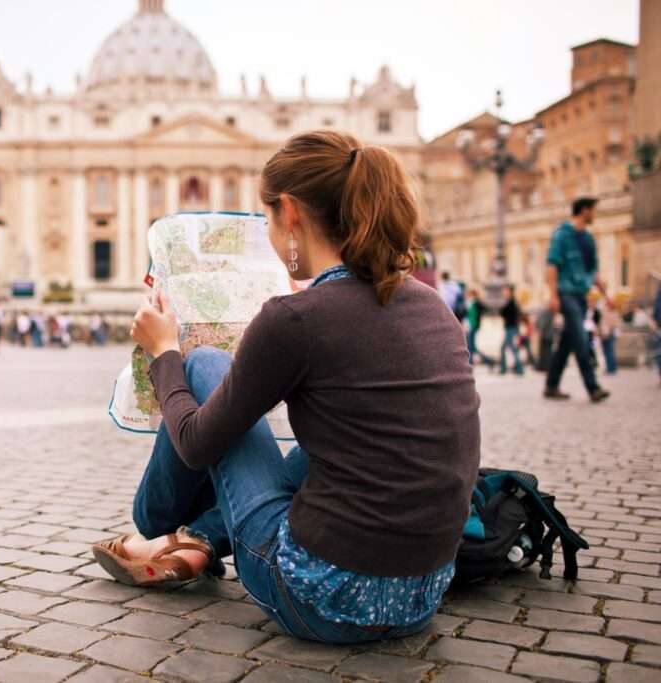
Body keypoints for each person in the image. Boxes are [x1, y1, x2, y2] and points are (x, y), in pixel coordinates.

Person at [92, 131, 479, 644]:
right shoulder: (433, 306)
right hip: (419, 597)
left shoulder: (295, 319)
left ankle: (156, 527)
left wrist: (165, 353)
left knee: (203, 364)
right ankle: (200, 540)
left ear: (290, 213)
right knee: (334, 442)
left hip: (319, 599)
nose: (271, 238)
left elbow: (195, 443)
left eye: (268, 220)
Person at [544, 197, 609, 402]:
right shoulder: (562, 236)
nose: (595, 215)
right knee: (580, 339)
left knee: (567, 341)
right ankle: (593, 387)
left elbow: (593, 271)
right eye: (593, 211)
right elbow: (552, 266)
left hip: (581, 294)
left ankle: (551, 385)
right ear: (584, 210)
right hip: (566, 293)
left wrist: (607, 295)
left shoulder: (588, 239)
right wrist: (553, 295)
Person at [465, 289, 494, 366]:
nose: (467, 296)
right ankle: (489, 360)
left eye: (469, 294)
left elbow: (485, 308)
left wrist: (479, 317)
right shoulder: (471, 303)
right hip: (470, 326)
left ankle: (471, 362)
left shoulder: (477, 303)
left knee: (471, 346)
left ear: (473, 295)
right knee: (472, 347)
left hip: (474, 326)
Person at [499, 286, 524, 375]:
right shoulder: (511, 302)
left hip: (511, 329)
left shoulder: (511, 303)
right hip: (510, 328)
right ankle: (507, 368)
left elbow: (503, 312)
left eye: (506, 291)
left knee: (511, 349)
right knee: (509, 348)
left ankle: (517, 368)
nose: (504, 293)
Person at [597, 299, 621, 375]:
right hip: (611, 333)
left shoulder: (607, 312)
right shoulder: (615, 312)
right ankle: (612, 368)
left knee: (608, 351)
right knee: (609, 351)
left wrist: (603, 333)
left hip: (607, 333)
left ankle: (610, 368)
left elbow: (604, 323)